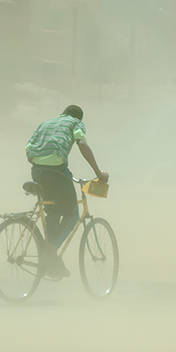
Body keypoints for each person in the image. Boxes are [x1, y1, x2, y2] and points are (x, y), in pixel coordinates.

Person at [25, 104, 108, 280]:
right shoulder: (76, 123)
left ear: (62, 113)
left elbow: (29, 150)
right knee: (72, 215)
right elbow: (82, 144)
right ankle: (49, 254)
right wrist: (98, 173)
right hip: (56, 172)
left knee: (53, 211)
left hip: (37, 171)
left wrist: (43, 166)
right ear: (78, 118)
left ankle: (51, 259)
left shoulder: (45, 123)